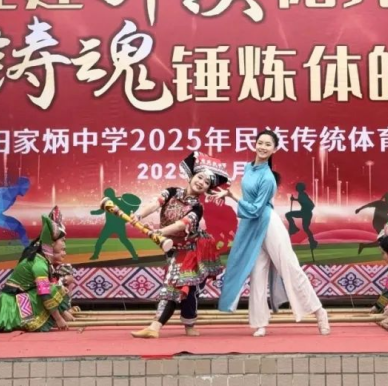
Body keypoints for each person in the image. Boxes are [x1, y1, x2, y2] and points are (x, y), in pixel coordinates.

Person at [216, 129, 330, 337]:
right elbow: (249, 203)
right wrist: (228, 193)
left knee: (290, 268)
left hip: (267, 223)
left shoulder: (268, 178)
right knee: (257, 273)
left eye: (268, 144)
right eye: (260, 143)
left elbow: (256, 209)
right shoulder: (248, 168)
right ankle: (260, 322)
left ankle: (319, 311)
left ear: (274, 150)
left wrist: (233, 196)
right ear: (254, 144)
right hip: (251, 226)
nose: (262, 147)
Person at [130, 152, 228, 339]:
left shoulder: (197, 208)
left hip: (192, 250)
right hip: (173, 249)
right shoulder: (172, 192)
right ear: (191, 176)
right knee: (186, 288)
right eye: (200, 177)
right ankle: (187, 326)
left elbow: (181, 225)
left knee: (177, 286)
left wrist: (160, 232)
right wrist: (139, 215)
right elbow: (155, 203)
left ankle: (155, 327)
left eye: (207, 182)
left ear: (207, 189)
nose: (201, 182)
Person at [0, 207, 74, 334]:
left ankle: (59, 314)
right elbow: (45, 294)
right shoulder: (39, 264)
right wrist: (58, 319)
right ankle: (34, 320)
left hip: (19, 298)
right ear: (52, 244)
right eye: (63, 241)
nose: (64, 245)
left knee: (54, 287)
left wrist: (63, 312)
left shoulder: (42, 260)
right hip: (11, 306)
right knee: (51, 289)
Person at [89, 187, 141, 260]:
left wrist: (93, 212)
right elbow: (130, 210)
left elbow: (101, 211)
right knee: (124, 241)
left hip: (112, 225)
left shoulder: (113, 201)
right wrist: (93, 212)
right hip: (117, 225)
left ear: (106, 195)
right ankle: (134, 255)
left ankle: (95, 255)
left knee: (100, 241)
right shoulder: (119, 200)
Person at [286, 182, 317, 250]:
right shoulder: (302, 194)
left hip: (305, 213)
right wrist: (295, 199)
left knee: (288, 214)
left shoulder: (302, 195)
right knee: (306, 228)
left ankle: (293, 228)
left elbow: (309, 203)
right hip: (306, 213)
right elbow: (305, 202)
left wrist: (295, 200)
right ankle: (312, 241)